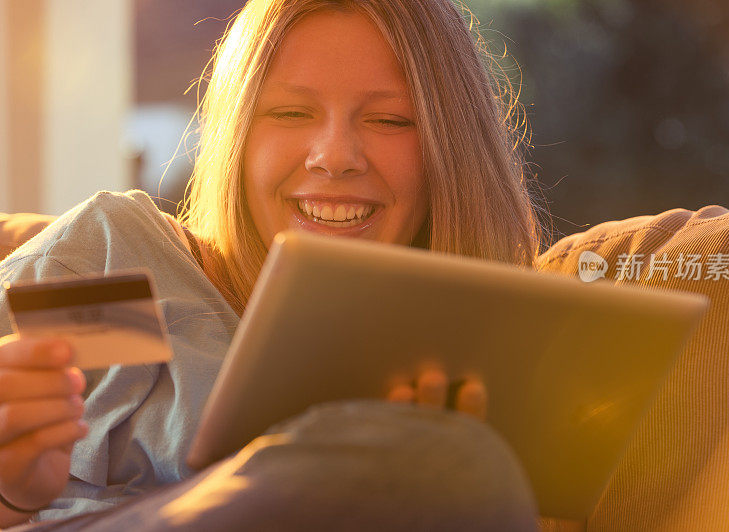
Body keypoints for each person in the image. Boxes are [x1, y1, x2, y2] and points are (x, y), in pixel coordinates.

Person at [0, 0, 547, 529]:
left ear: (450, 151)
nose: (334, 156)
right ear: (239, 134)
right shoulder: (134, 277)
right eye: (291, 112)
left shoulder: (469, 355)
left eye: (389, 119)